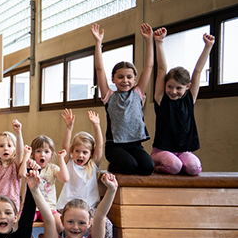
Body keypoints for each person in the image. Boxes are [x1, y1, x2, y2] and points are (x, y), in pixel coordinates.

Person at [92, 23, 155, 176]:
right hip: (115, 146)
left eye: (129, 77)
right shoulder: (109, 96)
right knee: (130, 166)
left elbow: (149, 66)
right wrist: (98, 44)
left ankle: (128, 161)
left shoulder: (138, 93)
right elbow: (99, 69)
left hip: (135, 145)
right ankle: (113, 165)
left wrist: (149, 40)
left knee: (148, 167)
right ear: (113, 79)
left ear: (134, 79)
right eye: (120, 77)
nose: (125, 80)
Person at [151, 28, 215, 175]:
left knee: (194, 168)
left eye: (178, 88)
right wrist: (159, 42)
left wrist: (208, 47)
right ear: (165, 85)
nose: (173, 91)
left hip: (183, 151)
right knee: (174, 166)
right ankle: (153, 163)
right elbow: (162, 68)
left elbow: (198, 71)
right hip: (162, 151)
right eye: (169, 86)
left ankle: (180, 166)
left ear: (187, 87)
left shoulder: (189, 98)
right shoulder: (161, 99)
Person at [59, 109, 115, 238]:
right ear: (72, 152)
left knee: (107, 225)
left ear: (91, 154)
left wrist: (96, 126)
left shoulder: (93, 165)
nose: (80, 155)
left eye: (85, 152)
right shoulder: (68, 163)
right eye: (77, 151)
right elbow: (65, 146)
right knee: (71, 231)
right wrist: (69, 127)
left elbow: (100, 146)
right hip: (69, 207)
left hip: (90, 208)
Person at [19, 138, 69, 238]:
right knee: (18, 223)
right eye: (38, 151)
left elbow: (65, 178)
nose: (42, 154)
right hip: (31, 209)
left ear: (51, 155)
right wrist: (26, 156)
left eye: (46, 152)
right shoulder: (30, 166)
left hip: (49, 208)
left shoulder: (52, 168)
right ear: (33, 154)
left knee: (60, 224)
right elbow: (21, 173)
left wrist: (61, 159)